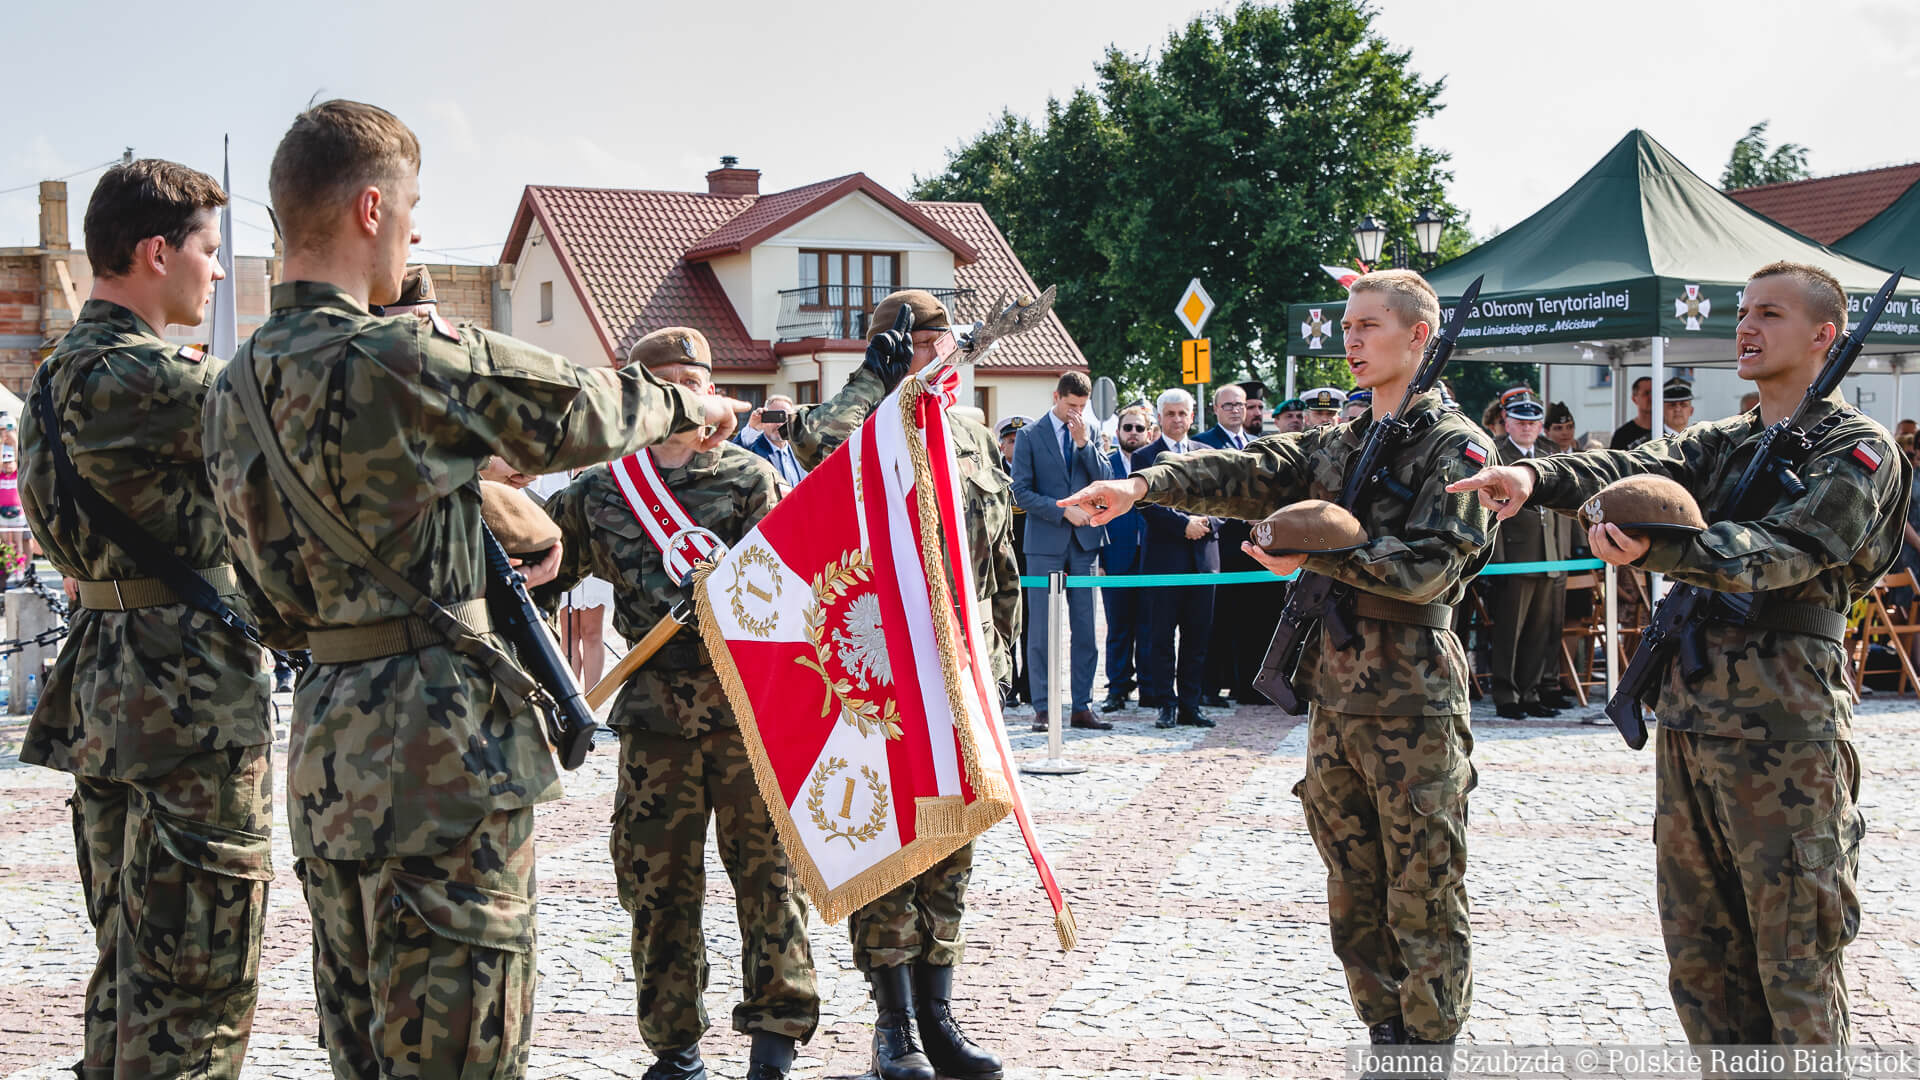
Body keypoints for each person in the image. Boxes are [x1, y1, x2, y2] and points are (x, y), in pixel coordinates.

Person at [201, 100, 746, 1080]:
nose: (414, 234)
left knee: (363, 1052)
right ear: (372, 208)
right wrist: (690, 402)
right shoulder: (403, 358)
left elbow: (266, 603)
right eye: (410, 214)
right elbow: (578, 406)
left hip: (329, 756)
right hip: (443, 766)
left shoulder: (232, 390)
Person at [1451, 260, 1901, 1048]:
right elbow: (1625, 468)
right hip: (1692, 723)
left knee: (1795, 961)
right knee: (1703, 962)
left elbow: (1795, 547)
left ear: (1824, 337)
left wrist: (1663, 549)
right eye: (1743, 313)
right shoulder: (1724, 441)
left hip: (1785, 731)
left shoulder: (1855, 449)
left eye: (1770, 313)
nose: (1748, 327)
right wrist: (1531, 474)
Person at [1063, 269, 1494, 1060]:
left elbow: (1432, 566)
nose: (1350, 340)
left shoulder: (1456, 449)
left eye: (1368, 325)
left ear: (1419, 336)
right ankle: (1386, 1037)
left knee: (1424, 891)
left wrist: (1320, 552)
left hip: (1415, 700)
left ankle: (1430, 1052)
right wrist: (1141, 484)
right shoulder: (1346, 442)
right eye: (1348, 326)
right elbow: (1244, 472)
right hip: (1337, 698)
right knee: (1351, 888)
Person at [18, 158, 288, 1080]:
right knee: (197, 988)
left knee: (129, 971)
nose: (216, 273)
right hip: (187, 700)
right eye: (209, 252)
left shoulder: (52, 377)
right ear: (156, 250)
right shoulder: (149, 378)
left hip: (106, 687)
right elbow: (301, 443)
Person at [541, 328, 816, 1080]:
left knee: (769, 876)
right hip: (656, 719)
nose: (690, 395)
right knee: (657, 884)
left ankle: (775, 1035)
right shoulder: (602, 492)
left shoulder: (748, 480)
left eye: (700, 379)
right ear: (640, 393)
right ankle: (674, 1044)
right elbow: (533, 569)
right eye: (671, 382)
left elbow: (792, 593)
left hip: (745, 714)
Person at [783, 288, 1016, 1080]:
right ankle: (896, 1026)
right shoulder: (866, 427)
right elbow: (817, 446)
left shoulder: (971, 432)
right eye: (920, 343)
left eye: (944, 339)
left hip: (960, 670)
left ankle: (940, 1013)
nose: (941, 352)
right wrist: (871, 382)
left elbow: (997, 555)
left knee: (953, 845)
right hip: (884, 679)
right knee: (895, 844)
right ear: (889, 351)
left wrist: (1005, 649)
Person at [1011, 371, 1113, 731]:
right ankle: (1042, 706)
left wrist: (1085, 444)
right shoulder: (1028, 435)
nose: (1076, 413)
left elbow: (1105, 479)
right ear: (1056, 397)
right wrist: (1061, 509)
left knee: (1086, 628)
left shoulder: (1089, 431)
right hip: (1044, 544)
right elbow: (1020, 491)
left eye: (1082, 407)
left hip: (1085, 544)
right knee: (1041, 630)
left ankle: (1082, 705)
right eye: (1071, 405)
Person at [1131, 388, 1219, 728]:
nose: (1178, 419)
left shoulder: (1209, 453)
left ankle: (1190, 705)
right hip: (1165, 560)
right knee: (1161, 637)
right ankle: (1165, 703)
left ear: (1193, 417)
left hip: (1204, 559)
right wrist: (1183, 526)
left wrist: (1208, 523)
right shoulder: (1144, 457)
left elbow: (1225, 500)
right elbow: (1144, 504)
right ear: (1160, 418)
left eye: (1183, 414)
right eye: (1171, 414)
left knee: (1198, 637)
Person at [1484, 390, 1566, 718]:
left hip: (1550, 553)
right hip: (1514, 557)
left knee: (1540, 630)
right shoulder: (1498, 453)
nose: (1527, 428)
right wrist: (1498, 558)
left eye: (1533, 422)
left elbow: (1561, 505)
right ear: (1507, 422)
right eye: (1520, 422)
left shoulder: (1549, 452)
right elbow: (1489, 510)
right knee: (1510, 631)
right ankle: (1506, 694)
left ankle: (1531, 692)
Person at [1195, 383, 1263, 707]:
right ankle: (1209, 688)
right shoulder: (1204, 443)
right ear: (1215, 409)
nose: (1236, 410)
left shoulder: (1255, 444)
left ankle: (1244, 685)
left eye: (1241, 405)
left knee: (1250, 619)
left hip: (1251, 546)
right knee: (1216, 619)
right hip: (1219, 541)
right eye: (1229, 406)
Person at [1100, 402, 1154, 712]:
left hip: (1151, 557)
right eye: (1127, 427)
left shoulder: (1156, 465)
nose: (1132, 433)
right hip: (1115, 557)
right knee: (1118, 627)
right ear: (1119, 431)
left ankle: (1150, 687)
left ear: (1149, 433)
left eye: (1138, 428)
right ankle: (1117, 688)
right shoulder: (1105, 466)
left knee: (1149, 625)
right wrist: (1100, 560)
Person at [996, 415, 1033, 708]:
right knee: (1006, 623)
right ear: (1002, 445)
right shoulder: (995, 473)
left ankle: (1031, 686)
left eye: (1021, 441)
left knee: (1033, 625)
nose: (1016, 446)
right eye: (1011, 441)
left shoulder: (1036, 473)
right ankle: (1008, 684)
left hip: (1032, 556)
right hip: (1003, 558)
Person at [742, 393, 808, 488]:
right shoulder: (752, 451)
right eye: (774, 417)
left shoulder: (801, 453)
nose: (779, 424)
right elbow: (734, 452)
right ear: (764, 419)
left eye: (784, 417)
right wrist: (752, 428)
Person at [1609, 375, 1654, 449]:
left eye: (1654, 393)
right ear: (1634, 399)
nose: (1651, 397)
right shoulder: (1622, 435)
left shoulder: (1668, 429)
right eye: (1646, 393)